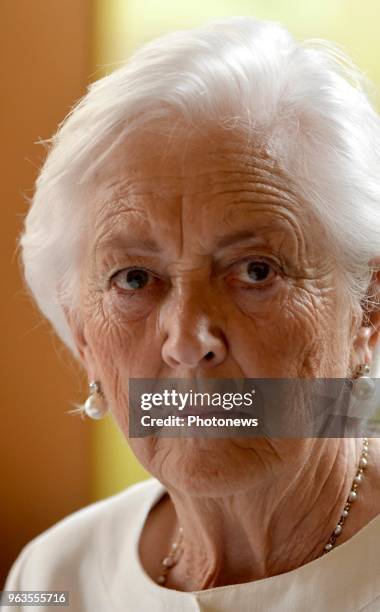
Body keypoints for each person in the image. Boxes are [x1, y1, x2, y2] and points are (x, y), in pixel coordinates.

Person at [4, 15, 380, 612]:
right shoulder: (54, 577)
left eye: (256, 270)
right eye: (134, 279)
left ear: (368, 311)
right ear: (82, 335)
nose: (187, 340)